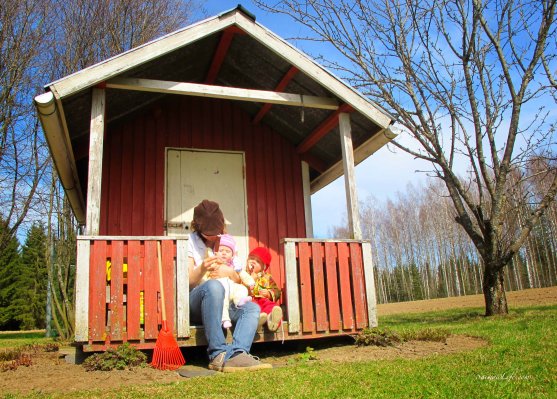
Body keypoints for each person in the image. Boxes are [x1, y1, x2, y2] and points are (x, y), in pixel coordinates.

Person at [187, 199, 271, 372]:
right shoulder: (189, 241)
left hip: (225, 301)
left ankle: (237, 354)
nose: (212, 237)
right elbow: (188, 281)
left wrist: (230, 273)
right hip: (199, 300)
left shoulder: (226, 241)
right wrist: (203, 267)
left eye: (215, 232)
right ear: (198, 227)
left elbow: (238, 276)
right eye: (208, 233)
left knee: (252, 309)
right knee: (213, 287)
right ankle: (217, 354)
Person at [211, 234, 255, 329]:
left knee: (242, 288)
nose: (224, 253)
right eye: (221, 250)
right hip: (221, 288)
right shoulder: (214, 264)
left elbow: (242, 274)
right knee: (223, 298)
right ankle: (225, 319)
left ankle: (239, 300)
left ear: (232, 255)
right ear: (215, 253)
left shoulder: (235, 265)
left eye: (227, 251)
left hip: (233, 289)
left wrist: (250, 282)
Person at [247, 247, 283, 332]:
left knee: (271, 306)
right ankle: (257, 322)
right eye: (251, 258)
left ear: (263, 267)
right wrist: (250, 280)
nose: (253, 262)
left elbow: (277, 291)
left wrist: (268, 293)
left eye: (258, 261)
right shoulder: (243, 274)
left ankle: (272, 320)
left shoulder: (267, 277)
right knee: (253, 307)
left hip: (263, 299)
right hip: (250, 300)